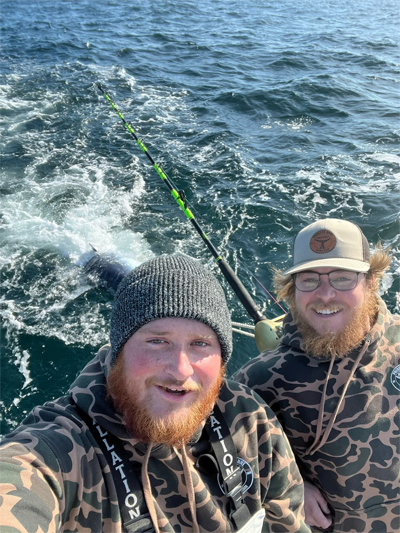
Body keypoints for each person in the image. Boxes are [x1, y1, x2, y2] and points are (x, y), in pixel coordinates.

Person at [0, 255, 310, 533]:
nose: (180, 370)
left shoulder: (248, 420)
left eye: (200, 344)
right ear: (119, 352)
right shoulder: (59, 453)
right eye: (157, 341)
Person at [233, 218, 400, 533]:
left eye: (342, 278)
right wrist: (289, 486)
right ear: (292, 289)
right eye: (309, 280)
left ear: (371, 281)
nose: (325, 294)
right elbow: (225, 463)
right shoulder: (258, 382)